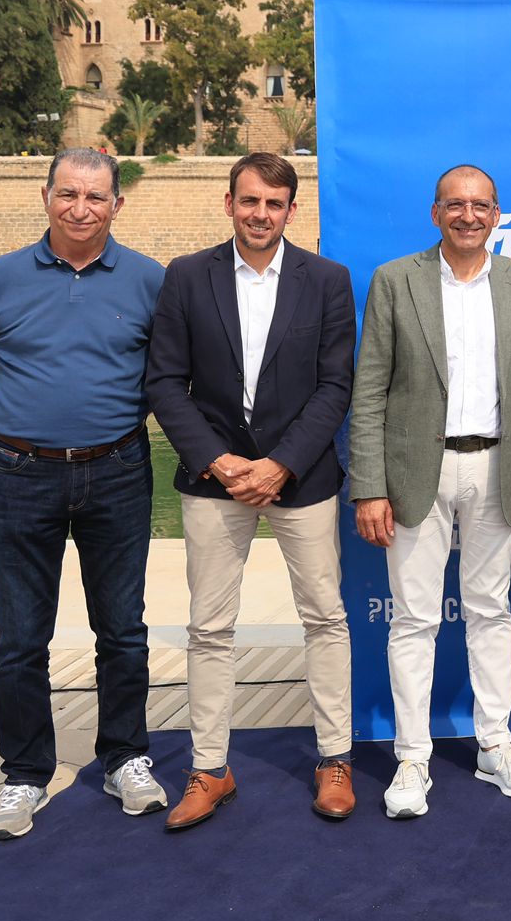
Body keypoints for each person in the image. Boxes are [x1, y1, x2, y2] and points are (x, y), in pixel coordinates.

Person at [0, 147, 169, 841]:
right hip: (20, 474)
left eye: (96, 197)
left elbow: (166, 378)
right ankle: (23, 774)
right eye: (68, 194)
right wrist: (30, 430)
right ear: (44, 196)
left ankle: (125, 758)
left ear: (117, 205)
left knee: (123, 630)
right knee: (20, 636)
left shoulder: (149, 281)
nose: (81, 208)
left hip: (118, 472)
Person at [143, 153, 358, 829]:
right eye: (249, 201)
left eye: (274, 203)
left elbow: (335, 386)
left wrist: (282, 464)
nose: (261, 214)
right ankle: (209, 769)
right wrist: (218, 460)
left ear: (293, 210)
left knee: (325, 618)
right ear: (228, 203)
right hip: (214, 482)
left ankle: (334, 760)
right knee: (208, 627)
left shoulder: (326, 280)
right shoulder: (186, 276)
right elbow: (163, 382)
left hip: (303, 478)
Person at [347, 165, 511, 818]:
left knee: (491, 613)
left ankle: (495, 744)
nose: (469, 215)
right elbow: (371, 390)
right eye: (456, 205)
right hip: (417, 470)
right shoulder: (395, 281)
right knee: (413, 618)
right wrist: (369, 486)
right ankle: (413, 759)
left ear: (498, 215)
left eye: (481, 205)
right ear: (435, 212)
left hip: (498, 467)